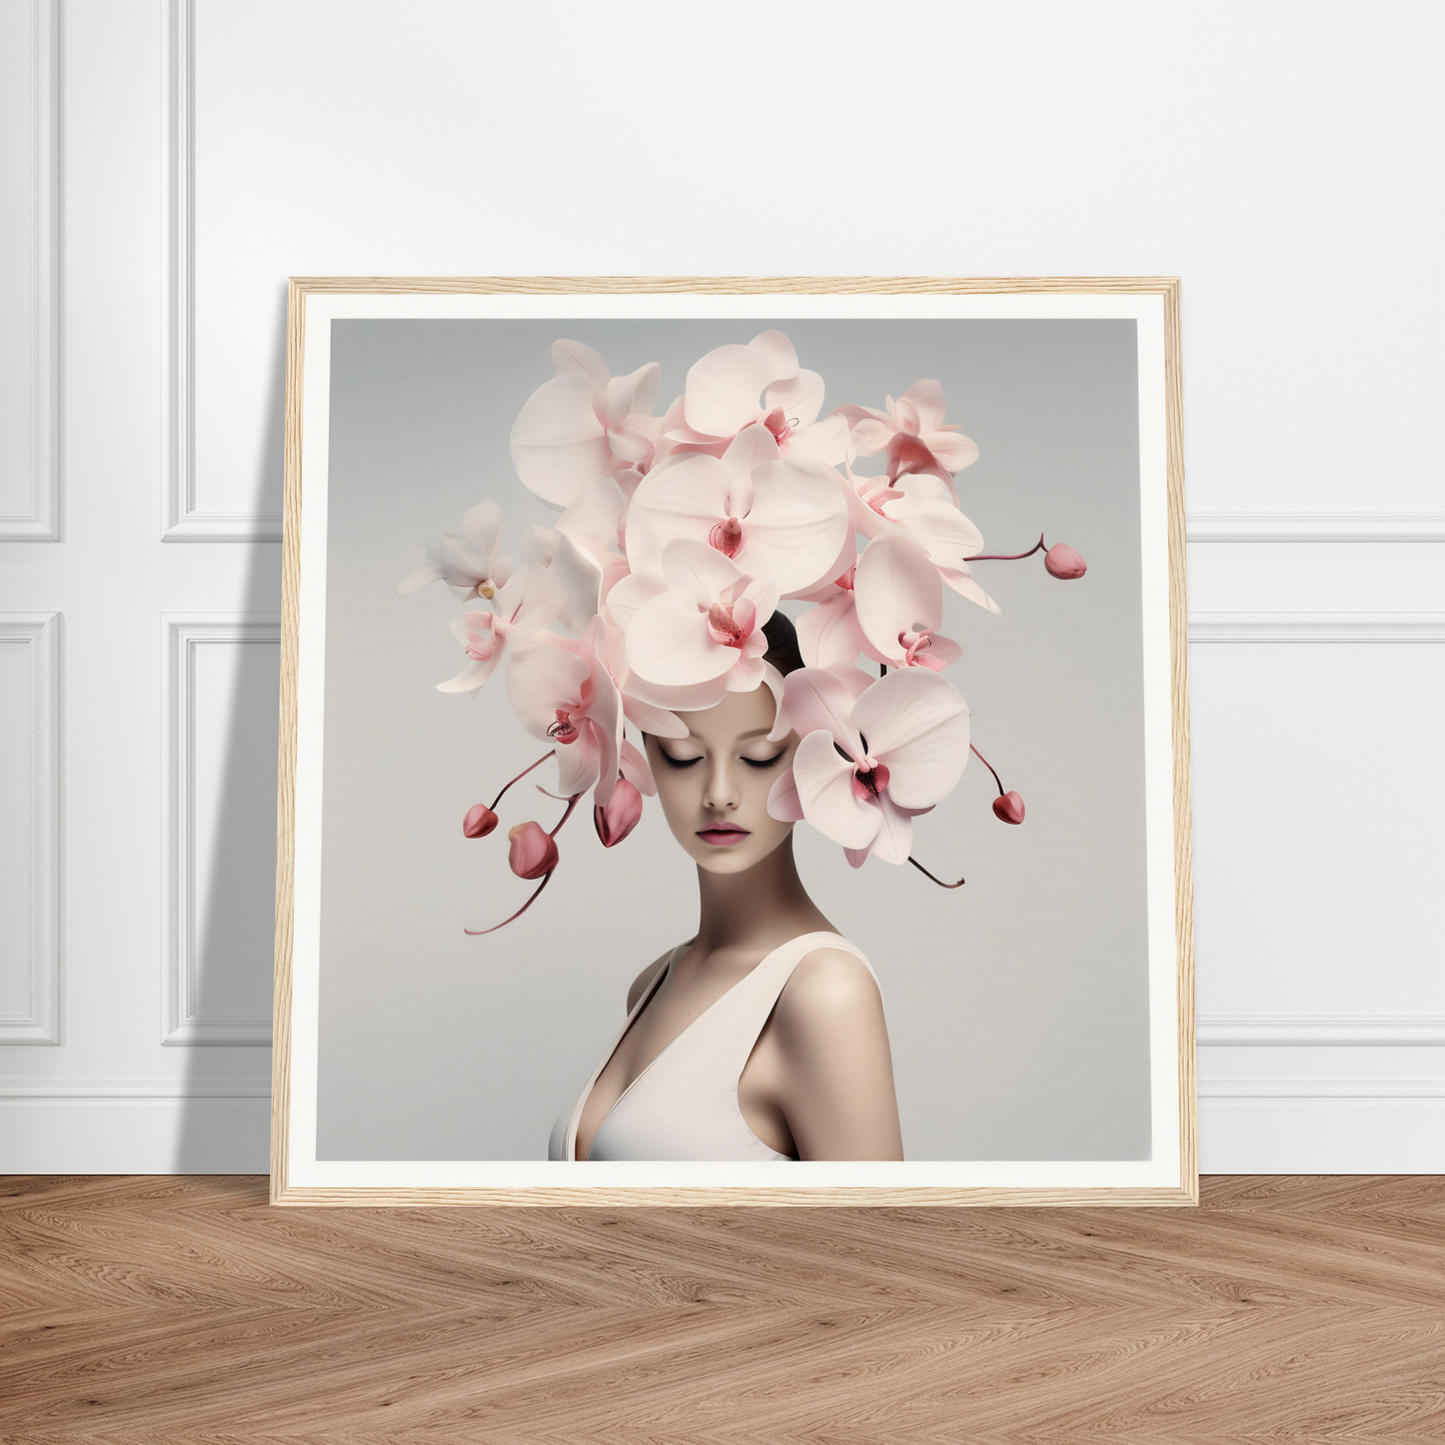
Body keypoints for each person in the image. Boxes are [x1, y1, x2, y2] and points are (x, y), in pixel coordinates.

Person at [548, 615, 906, 1163]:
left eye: (759, 757)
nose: (719, 793)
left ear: (819, 758)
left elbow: (882, 1245)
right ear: (641, 754)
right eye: (683, 757)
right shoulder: (654, 982)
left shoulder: (825, 992)